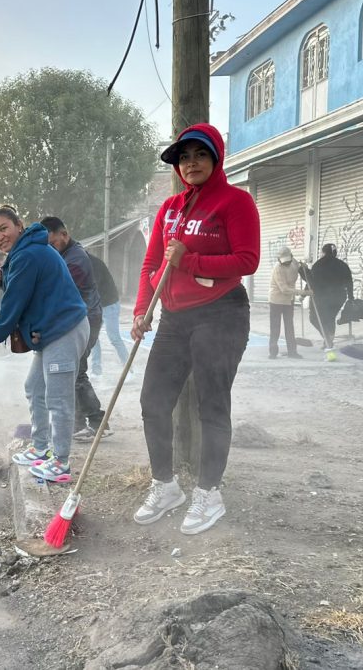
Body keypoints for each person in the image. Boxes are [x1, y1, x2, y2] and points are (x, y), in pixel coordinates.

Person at [130, 124, 258, 535]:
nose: (191, 163)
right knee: (153, 401)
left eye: (199, 155)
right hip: (172, 317)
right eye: (184, 157)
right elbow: (151, 264)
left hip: (220, 315)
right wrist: (141, 310)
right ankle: (165, 485)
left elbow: (247, 260)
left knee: (211, 405)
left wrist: (190, 262)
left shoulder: (236, 201)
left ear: (216, 158)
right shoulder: (169, 207)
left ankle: (209, 493)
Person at [0, 207, 89, 483]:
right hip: (51, 331)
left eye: (3, 228)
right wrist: (3, 273)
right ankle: (41, 447)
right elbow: (25, 283)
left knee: (58, 398)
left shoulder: (28, 254)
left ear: (19, 225)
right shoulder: (24, 252)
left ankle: (61, 463)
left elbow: (14, 303)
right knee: (35, 387)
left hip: (64, 329)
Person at [40, 216, 109, 442]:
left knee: (76, 371)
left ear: (64, 235)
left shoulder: (75, 261)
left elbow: (61, 296)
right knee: (72, 371)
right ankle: (78, 423)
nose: (50, 249)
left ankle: (97, 422)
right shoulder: (65, 255)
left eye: (53, 244)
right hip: (80, 317)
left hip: (86, 319)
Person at [307, 243, 354, 360]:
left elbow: (311, 281)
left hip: (321, 297)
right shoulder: (343, 265)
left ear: (323, 252)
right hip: (338, 297)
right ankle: (329, 339)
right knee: (330, 318)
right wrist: (351, 297)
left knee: (314, 318)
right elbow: (349, 282)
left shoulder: (318, 265)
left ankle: (327, 339)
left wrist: (304, 294)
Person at [88, 252, 130, 375]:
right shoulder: (82, 262)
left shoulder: (93, 264)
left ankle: (129, 370)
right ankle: (96, 371)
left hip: (109, 304)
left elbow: (92, 287)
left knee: (114, 337)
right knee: (93, 338)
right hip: (97, 306)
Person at [268, 247, 310, 359]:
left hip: (289, 300)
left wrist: (303, 267)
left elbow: (300, 268)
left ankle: (292, 352)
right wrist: (303, 292)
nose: (286, 263)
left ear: (291, 257)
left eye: (288, 260)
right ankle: (273, 352)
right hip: (276, 300)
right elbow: (284, 289)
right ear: (279, 259)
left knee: (289, 327)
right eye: (284, 261)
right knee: (275, 327)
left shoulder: (294, 262)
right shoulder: (277, 269)